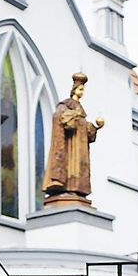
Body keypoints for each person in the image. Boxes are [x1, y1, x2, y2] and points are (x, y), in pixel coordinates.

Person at [42, 72, 105, 200]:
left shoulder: (80, 108)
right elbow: (60, 118)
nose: (82, 92)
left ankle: (77, 188)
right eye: (80, 89)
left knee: (78, 168)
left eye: (83, 90)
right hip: (70, 146)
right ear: (74, 90)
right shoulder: (65, 105)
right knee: (71, 166)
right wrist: (73, 116)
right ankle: (63, 184)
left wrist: (95, 127)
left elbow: (84, 127)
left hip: (79, 147)